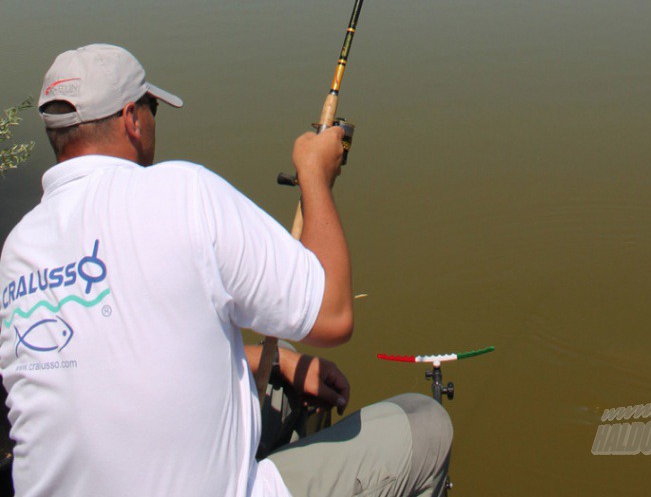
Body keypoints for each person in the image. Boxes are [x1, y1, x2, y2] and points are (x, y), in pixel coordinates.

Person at [0, 44, 451, 497]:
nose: (153, 120)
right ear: (131, 120)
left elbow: (99, 354)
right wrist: (316, 174)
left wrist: (280, 361)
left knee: (282, 389)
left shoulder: (19, 248)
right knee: (424, 424)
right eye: (151, 107)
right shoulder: (181, 193)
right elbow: (333, 315)